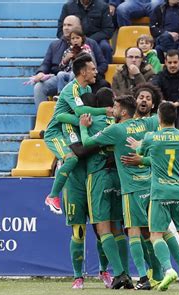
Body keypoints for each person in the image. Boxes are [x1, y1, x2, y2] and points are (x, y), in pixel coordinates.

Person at [79, 95, 160, 290]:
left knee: (104, 227)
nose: (111, 109)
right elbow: (160, 117)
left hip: (111, 180)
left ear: (122, 111)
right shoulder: (144, 123)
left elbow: (86, 143)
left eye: (115, 106)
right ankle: (158, 272)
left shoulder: (113, 128)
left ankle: (122, 274)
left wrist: (82, 126)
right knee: (144, 230)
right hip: (141, 183)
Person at [134, 101, 179, 292]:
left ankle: (168, 270)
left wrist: (139, 146)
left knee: (156, 234)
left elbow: (140, 153)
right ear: (175, 118)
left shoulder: (151, 137)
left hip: (160, 192)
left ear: (159, 117)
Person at [44, 53, 111, 214]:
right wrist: (105, 111)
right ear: (83, 72)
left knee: (80, 158)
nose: (96, 72)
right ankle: (52, 196)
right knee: (72, 158)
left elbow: (80, 115)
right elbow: (80, 111)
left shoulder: (87, 88)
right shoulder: (71, 89)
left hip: (72, 128)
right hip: (57, 132)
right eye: (93, 69)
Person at [32, 15, 109, 109]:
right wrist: (40, 72)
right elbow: (45, 64)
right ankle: (45, 117)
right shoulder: (54, 45)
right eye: (64, 25)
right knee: (39, 87)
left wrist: (90, 74)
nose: (65, 28)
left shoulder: (91, 44)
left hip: (83, 77)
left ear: (79, 27)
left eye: (69, 25)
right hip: (60, 77)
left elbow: (103, 64)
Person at [56, 27, 95, 93]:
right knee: (60, 74)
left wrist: (79, 55)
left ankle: (70, 93)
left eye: (77, 38)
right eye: (73, 38)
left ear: (82, 39)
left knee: (72, 74)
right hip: (69, 72)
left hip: (81, 73)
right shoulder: (68, 51)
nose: (75, 40)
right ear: (70, 40)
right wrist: (65, 59)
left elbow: (90, 62)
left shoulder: (86, 49)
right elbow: (60, 67)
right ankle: (60, 93)